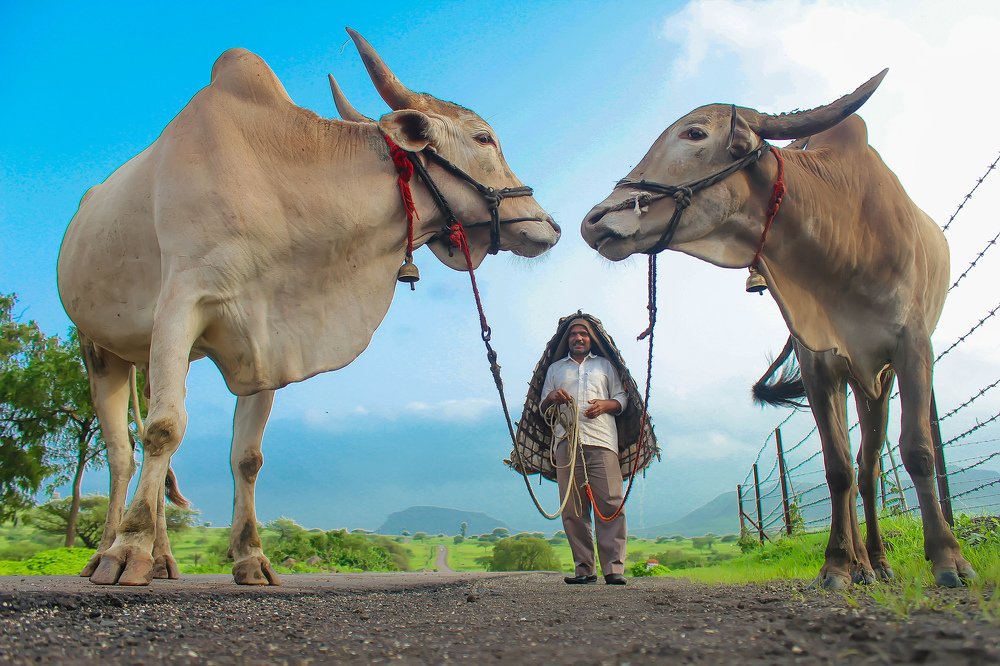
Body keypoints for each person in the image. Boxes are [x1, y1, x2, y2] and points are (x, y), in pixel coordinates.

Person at [539, 317, 628, 585]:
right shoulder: (555, 369)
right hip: (566, 441)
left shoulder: (605, 366)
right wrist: (552, 398)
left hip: (602, 440)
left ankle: (613, 569)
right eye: (573, 334)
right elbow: (542, 406)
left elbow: (622, 397)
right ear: (567, 340)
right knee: (573, 508)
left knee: (611, 502)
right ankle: (584, 569)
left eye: (583, 334)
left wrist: (606, 405)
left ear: (591, 339)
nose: (578, 338)